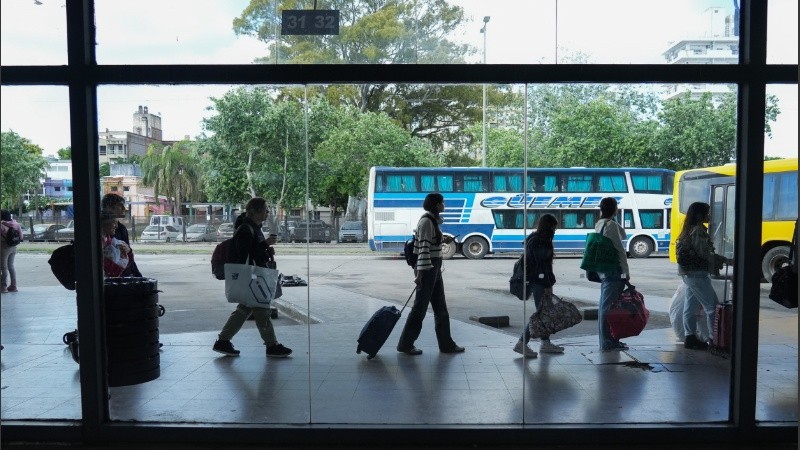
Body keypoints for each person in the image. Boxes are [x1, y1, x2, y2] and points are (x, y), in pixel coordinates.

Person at [213, 197, 292, 358]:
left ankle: (223, 341)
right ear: (255, 211)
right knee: (262, 310)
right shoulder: (246, 229)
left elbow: (252, 250)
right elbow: (245, 252)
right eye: (265, 210)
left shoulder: (252, 227)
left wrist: (266, 249)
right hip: (252, 277)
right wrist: (265, 244)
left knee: (244, 309)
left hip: (253, 276)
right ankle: (271, 345)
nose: (267, 213)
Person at [396, 193, 464, 355]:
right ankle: (405, 344)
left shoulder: (433, 221)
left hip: (433, 268)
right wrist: (420, 275)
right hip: (427, 269)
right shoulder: (427, 222)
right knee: (419, 308)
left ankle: (446, 344)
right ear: (436, 205)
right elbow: (423, 250)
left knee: (441, 308)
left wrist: (442, 241)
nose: (444, 205)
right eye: (442, 202)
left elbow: (430, 243)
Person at [677, 202, 730, 350]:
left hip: (688, 274)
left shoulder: (687, 230)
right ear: (700, 215)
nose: (710, 216)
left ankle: (690, 337)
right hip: (697, 274)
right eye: (708, 213)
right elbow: (705, 253)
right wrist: (724, 260)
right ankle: (714, 340)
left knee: (690, 307)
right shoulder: (698, 231)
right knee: (712, 306)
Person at [513, 213, 564, 358]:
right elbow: (542, 266)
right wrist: (548, 284)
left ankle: (545, 342)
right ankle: (522, 342)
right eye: (554, 227)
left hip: (536, 281)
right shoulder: (541, 241)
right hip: (539, 282)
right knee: (541, 314)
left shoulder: (534, 239)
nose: (555, 231)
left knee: (543, 313)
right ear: (549, 227)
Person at [595, 197, 631, 351]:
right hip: (613, 270)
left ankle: (609, 340)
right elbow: (620, 249)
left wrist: (613, 219)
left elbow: (623, 234)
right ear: (615, 209)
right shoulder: (610, 225)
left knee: (606, 306)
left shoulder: (601, 223)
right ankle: (607, 342)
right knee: (608, 308)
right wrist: (626, 272)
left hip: (604, 270)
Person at [101, 193, 142, 277]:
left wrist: (128, 251)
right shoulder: (101, 232)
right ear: (109, 207)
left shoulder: (121, 228)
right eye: (120, 205)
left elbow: (127, 253)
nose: (124, 208)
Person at [100, 211, 131, 278]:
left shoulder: (112, 242)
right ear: (104, 224)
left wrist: (127, 252)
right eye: (114, 222)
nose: (116, 226)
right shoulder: (95, 243)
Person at [1, 209, 24, 293]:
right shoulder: (16, 224)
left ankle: (3, 287)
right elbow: (21, 237)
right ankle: (13, 286)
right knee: (11, 266)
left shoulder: (1, 225)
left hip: (3, 247)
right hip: (13, 247)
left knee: (3, 267)